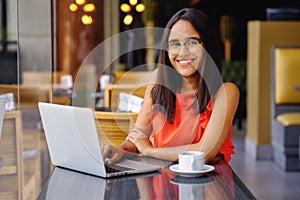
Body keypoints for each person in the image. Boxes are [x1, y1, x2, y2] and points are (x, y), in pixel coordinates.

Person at [102, 8, 239, 165]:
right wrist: (121, 149)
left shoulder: (226, 92)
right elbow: (139, 134)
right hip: (161, 178)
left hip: (208, 183)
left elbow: (204, 153)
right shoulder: (158, 78)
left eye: (192, 42)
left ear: (207, 45)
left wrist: (150, 151)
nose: (182, 52)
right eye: (174, 44)